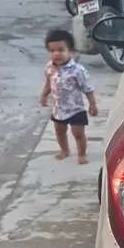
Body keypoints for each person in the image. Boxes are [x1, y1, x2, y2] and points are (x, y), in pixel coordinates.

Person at [40, 29, 98, 164]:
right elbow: (49, 83)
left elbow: (88, 89)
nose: (56, 54)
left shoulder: (78, 70)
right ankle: (64, 150)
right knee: (59, 132)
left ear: (70, 51)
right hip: (58, 110)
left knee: (78, 134)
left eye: (61, 50)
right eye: (52, 51)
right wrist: (43, 95)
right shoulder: (49, 67)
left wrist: (92, 104)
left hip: (76, 109)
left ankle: (82, 154)